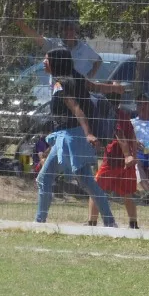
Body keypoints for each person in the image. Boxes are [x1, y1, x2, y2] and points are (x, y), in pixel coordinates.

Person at [32, 49, 116, 227]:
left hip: (73, 136)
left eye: (47, 59)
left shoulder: (61, 83)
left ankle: (110, 223)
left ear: (57, 62)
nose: (43, 62)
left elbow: (77, 109)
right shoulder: (69, 78)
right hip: (67, 135)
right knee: (46, 179)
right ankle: (39, 222)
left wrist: (88, 133)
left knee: (83, 180)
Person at [90, 102, 141, 229]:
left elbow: (121, 136)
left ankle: (91, 223)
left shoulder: (112, 115)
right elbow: (133, 136)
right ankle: (133, 224)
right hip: (126, 163)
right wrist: (134, 155)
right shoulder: (124, 115)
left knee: (94, 189)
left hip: (113, 160)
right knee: (127, 193)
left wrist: (128, 155)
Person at [17, 16, 102, 79]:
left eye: (71, 29)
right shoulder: (55, 44)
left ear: (75, 31)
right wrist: (22, 25)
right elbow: (39, 39)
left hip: (79, 90)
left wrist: (88, 77)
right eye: (65, 29)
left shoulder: (84, 47)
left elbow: (98, 60)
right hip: (59, 90)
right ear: (61, 31)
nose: (69, 32)